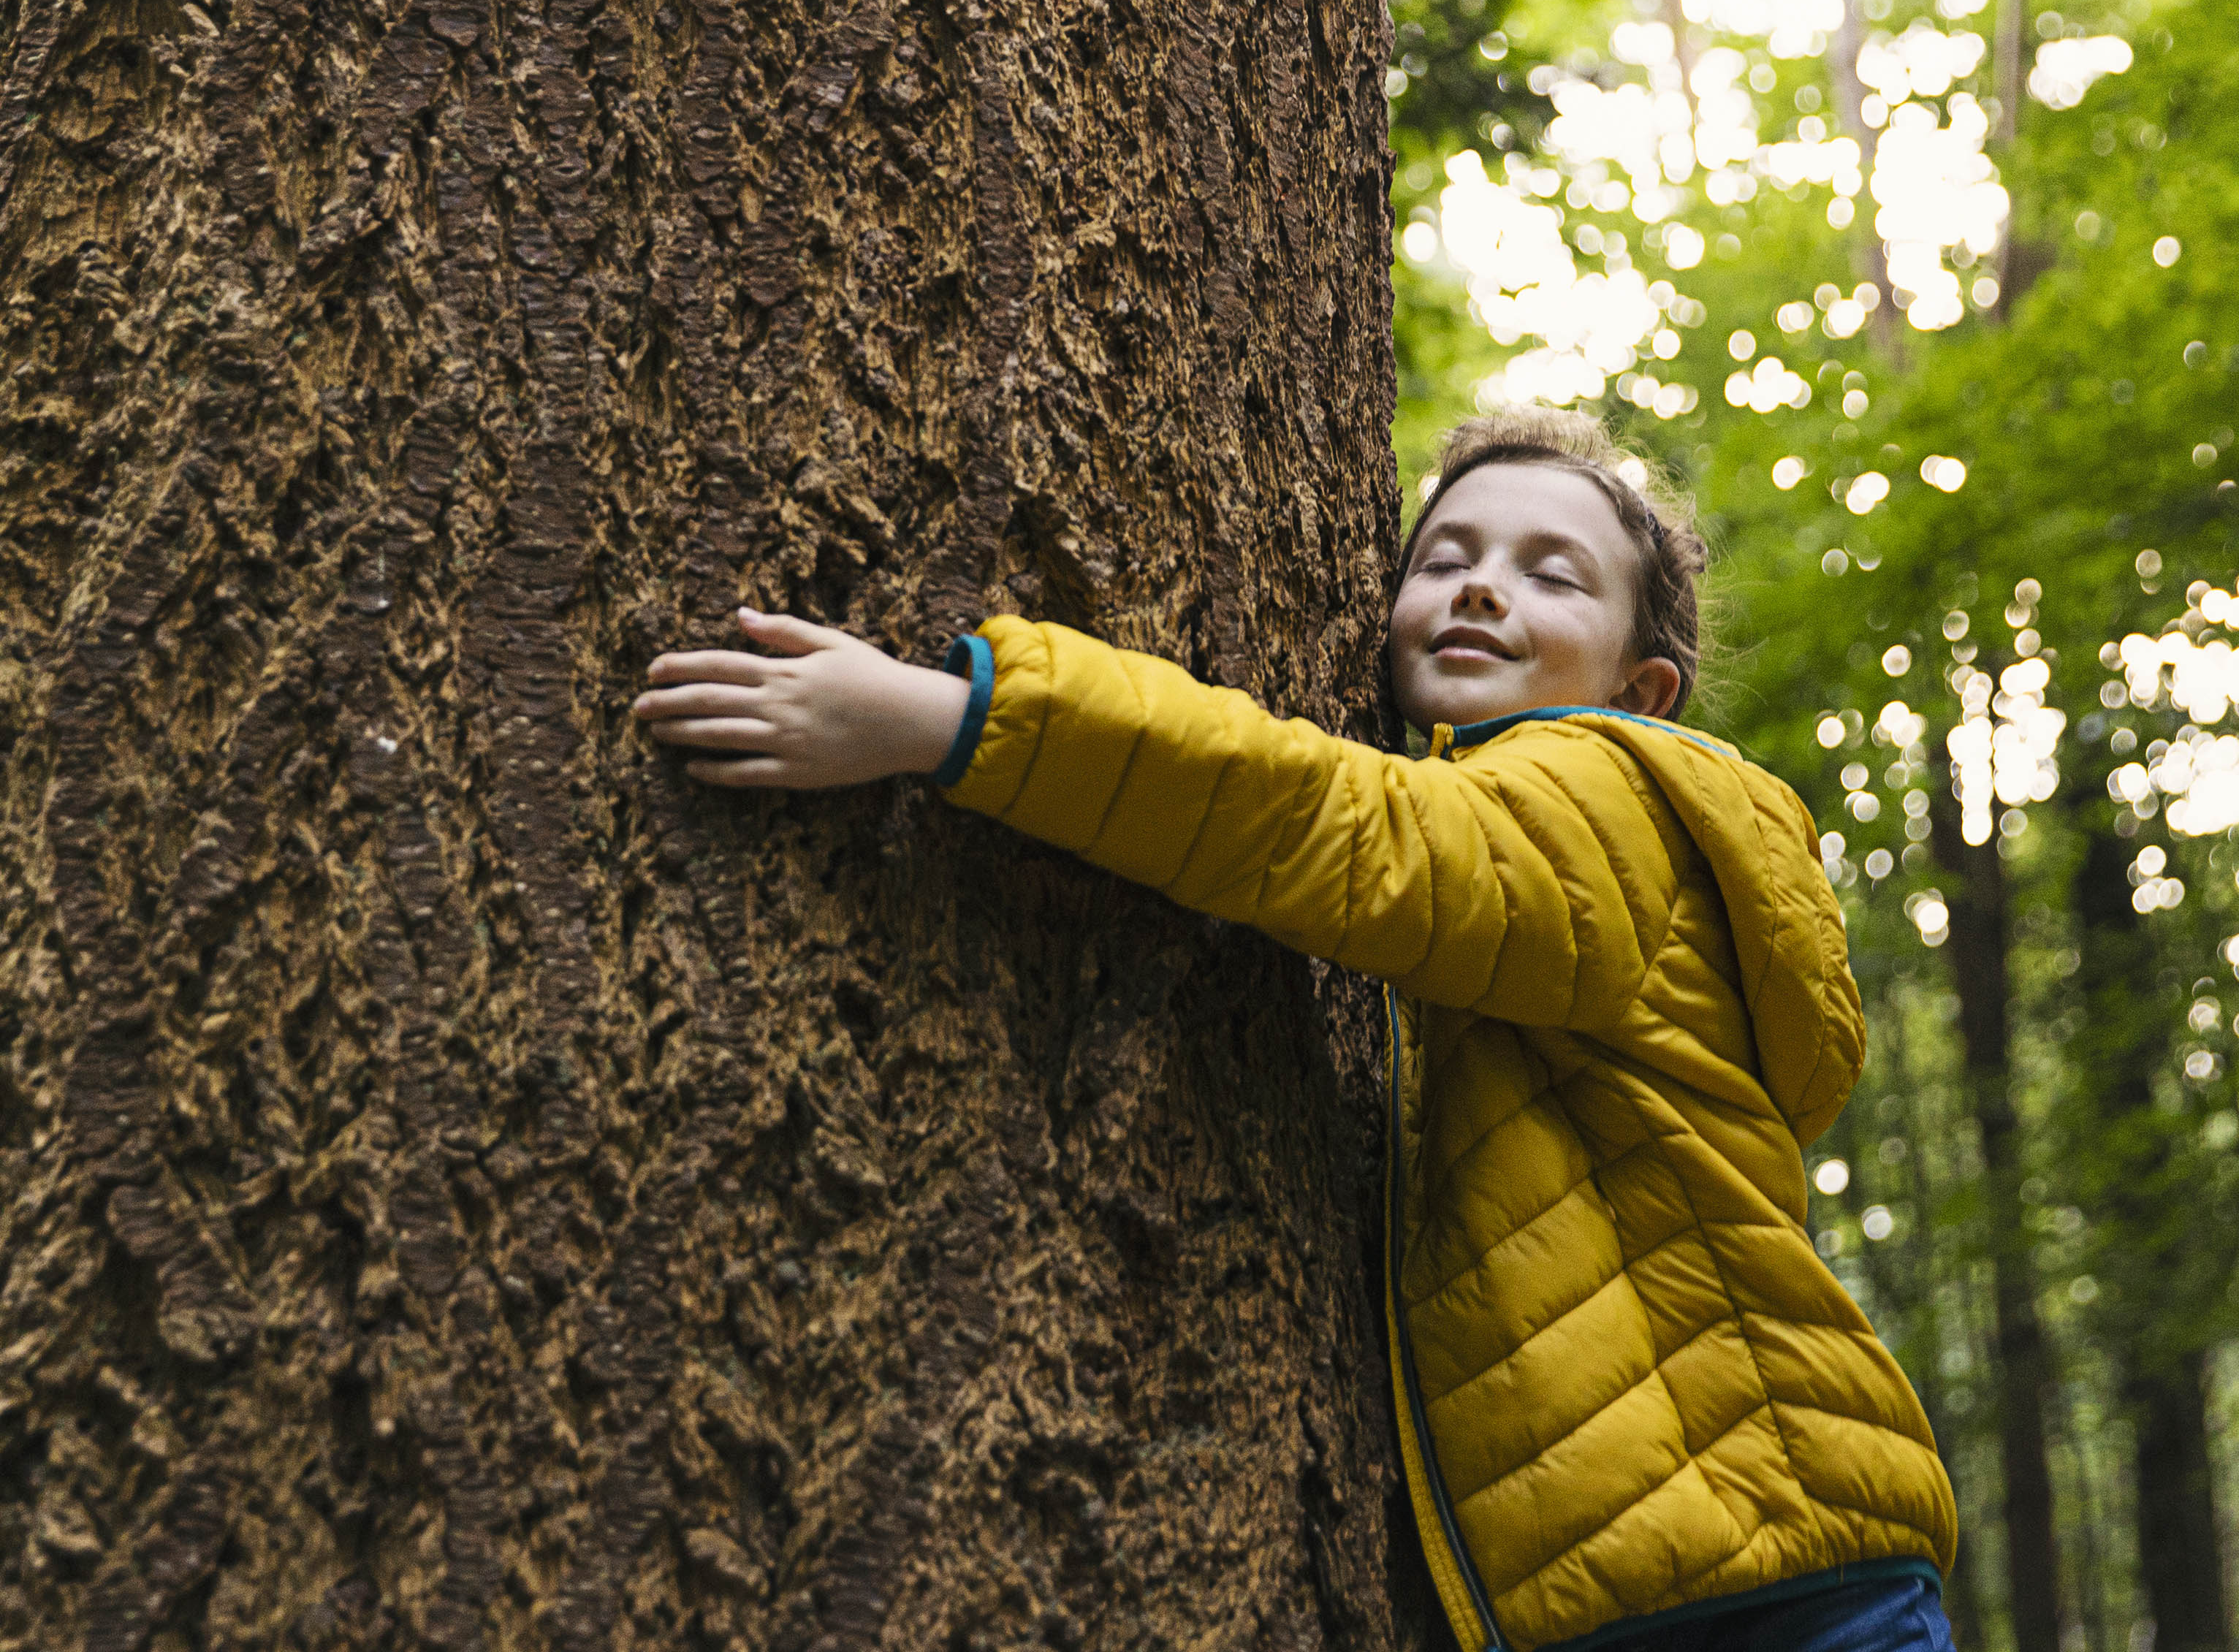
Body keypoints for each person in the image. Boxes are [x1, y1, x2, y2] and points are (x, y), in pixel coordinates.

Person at [631, 404, 1959, 1651]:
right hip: (1698, 1565)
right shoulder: (1542, 863)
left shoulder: (1615, 793)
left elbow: (1338, 830)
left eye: (1555, 576)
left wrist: (954, 717)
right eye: (1447, 557)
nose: (1485, 586)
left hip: (1762, 1575)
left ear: (1644, 687)